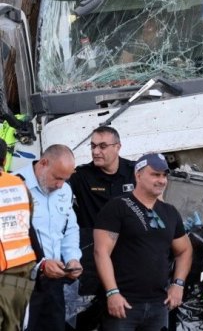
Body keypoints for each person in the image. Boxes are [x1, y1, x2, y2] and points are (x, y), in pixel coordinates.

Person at [94, 152, 192, 331]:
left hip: (159, 305)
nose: (161, 180)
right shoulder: (118, 206)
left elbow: (184, 250)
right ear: (138, 175)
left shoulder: (170, 212)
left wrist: (178, 284)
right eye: (155, 174)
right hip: (123, 304)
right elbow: (101, 252)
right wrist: (112, 292)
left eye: (164, 175)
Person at [68, 126, 136, 329]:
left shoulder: (135, 172)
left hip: (129, 258)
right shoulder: (81, 176)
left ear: (118, 147)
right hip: (93, 259)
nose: (96, 151)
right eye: (93, 146)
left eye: (103, 146)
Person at [15, 144, 83, 331]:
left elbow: (69, 228)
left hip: (54, 281)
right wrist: (41, 264)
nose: (60, 185)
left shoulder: (65, 190)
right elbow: (10, 238)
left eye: (65, 179)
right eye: (57, 178)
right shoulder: (15, 186)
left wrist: (72, 258)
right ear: (43, 163)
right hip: (22, 282)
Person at [0, 143, 38, 331]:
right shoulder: (19, 185)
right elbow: (29, 222)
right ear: (5, 160)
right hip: (21, 270)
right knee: (14, 326)